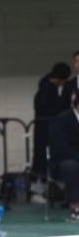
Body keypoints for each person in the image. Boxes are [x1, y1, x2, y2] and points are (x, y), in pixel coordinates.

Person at [30, 62, 71, 202]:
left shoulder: (54, 87)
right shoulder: (45, 90)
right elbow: (49, 110)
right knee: (41, 158)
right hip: (44, 130)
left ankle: (57, 189)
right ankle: (37, 190)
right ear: (59, 79)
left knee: (52, 158)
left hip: (53, 129)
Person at [49, 94, 79, 222]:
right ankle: (75, 207)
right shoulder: (61, 120)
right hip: (62, 161)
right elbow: (60, 148)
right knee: (72, 167)